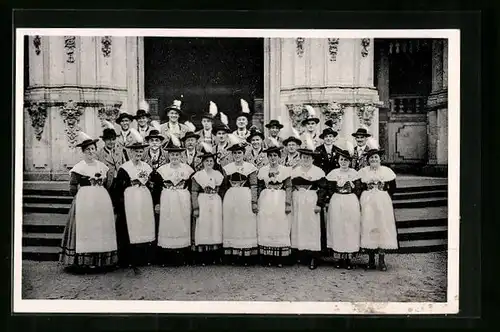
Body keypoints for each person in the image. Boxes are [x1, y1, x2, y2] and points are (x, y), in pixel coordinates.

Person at [60, 132, 118, 273]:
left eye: (93, 149)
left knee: (99, 228)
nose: (91, 152)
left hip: (100, 201)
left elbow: (107, 184)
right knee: (85, 228)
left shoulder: (102, 166)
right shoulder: (79, 168)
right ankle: (82, 262)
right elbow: (73, 187)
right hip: (84, 201)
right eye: (88, 150)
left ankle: (99, 261)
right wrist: (81, 198)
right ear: (83, 152)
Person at [113, 140, 156, 273]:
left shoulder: (147, 167)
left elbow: (152, 182)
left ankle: (143, 257)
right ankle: (128, 259)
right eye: (136, 151)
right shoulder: (124, 168)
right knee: (130, 226)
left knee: (144, 225)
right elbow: (118, 188)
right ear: (131, 152)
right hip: (130, 198)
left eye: (140, 151)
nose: (138, 154)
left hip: (144, 198)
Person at [154, 138, 194, 266]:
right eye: (172, 154)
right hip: (167, 199)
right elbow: (156, 188)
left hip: (182, 199)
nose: (174, 157)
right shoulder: (162, 170)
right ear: (168, 155)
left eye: (177, 154)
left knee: (182, 224)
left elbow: (192, 187)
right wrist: (157, 203)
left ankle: (182, 257)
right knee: (168, 224)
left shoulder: (188, 169)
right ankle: (167, 257)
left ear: (181, 155)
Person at [357, 148, 398, 271]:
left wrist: (385, 195)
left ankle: (381, 259)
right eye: (371, 158)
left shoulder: (386, 171)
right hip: (368, 200)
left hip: (382, 201)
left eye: (376, 157)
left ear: (380, 159)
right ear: (368, 160)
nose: (374, 160)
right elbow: (359, 187)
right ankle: (370, 259)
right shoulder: (363, 172)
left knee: (382, 226)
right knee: (369, 225)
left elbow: (393, 188)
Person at [290, 143, 327, 270]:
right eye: (303, 157)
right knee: (298, 225)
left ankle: (313, 256)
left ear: (312, 159)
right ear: (300, 158)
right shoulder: (295, 171)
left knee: (312, 227)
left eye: (308, 158)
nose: (305, 160)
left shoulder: (318, 172)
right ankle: (300, 254)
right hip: (298, 200)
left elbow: (323, 189)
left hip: (311, 200)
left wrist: (319, 204)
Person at [222, 142, 259, 266]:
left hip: (245, 197)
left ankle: (246, 254)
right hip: (231, 197)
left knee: (245, 223)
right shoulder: (227, 168)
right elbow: (225, 185)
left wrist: (253, 201)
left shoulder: (250, 167)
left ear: (243, 154)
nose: (237, 155)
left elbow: (254, 185)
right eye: (235, 153)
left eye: (239, 153)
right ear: (232, 155)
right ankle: (233, 254)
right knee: (232, 223)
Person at [256, 145, 293, 267]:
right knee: (267, 224)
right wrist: (256, 202)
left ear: (279, 157)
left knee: (280, 224)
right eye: (270, 156)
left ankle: (280, 258)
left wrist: (288, 203)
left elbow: (288, 187)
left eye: (275, 155)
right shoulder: (263, 170)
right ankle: (268, 257)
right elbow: (260, 186)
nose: (273, 158)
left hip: (280, 198)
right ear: (267, 157)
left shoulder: (285, 170)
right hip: (266, 198)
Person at [325, 149, 361, 270]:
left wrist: (350, 191)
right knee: (338, 227)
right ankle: (339, 258)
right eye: (341, 160)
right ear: (338, 161)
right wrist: (337, 193)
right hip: (337, 201)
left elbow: (358, 189)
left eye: (346, 160)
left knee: (350, 227)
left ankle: (349, 258)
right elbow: (329, 189)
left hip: (350, 201)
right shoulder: (334, 173)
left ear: (350, 161)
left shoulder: (354, 173)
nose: (344, 162)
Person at [191, 146, 225, 265]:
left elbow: (221, 190)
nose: (209, 163)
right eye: (207, 161)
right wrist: (196, 207)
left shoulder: (218, 174)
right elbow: (194, 191)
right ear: (203, 162)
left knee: (215, 225)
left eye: (211, 161)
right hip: (203, 200)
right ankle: (203, 256)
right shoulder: (198, 175)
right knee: (204, 225)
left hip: (215, 201)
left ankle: (215, 255)